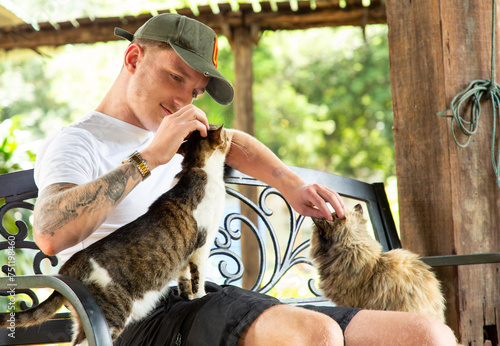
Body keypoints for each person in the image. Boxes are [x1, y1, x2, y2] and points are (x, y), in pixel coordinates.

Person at [32, 13, 458, 346]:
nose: (183, 99)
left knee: (426, 335)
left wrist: (291, 185)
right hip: (131, 320)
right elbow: (50, 233)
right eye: (175, 76)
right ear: (133, 59)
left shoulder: (172, 126)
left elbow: (234, 142)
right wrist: (149, 158)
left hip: (201, 298)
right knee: (314, 337)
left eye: (194, 92)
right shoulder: (80, 143)